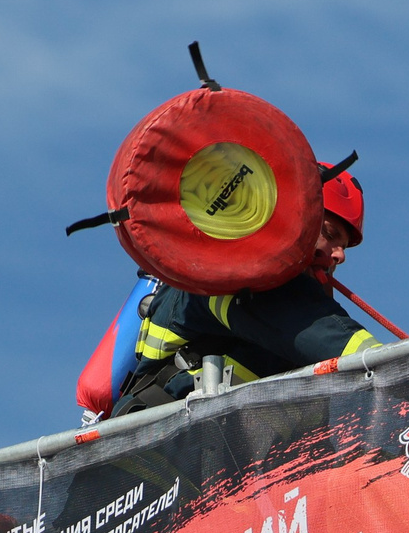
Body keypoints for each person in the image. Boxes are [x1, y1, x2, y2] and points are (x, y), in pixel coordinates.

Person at [113, 163, 383, 412]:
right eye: (330, 234)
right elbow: (323, 334)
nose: (339, 256)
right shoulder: (233, 271)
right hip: (166, 441)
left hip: (202, 441)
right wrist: (400, 370)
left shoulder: (281, 330)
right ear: (295, 218)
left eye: (343, 247)